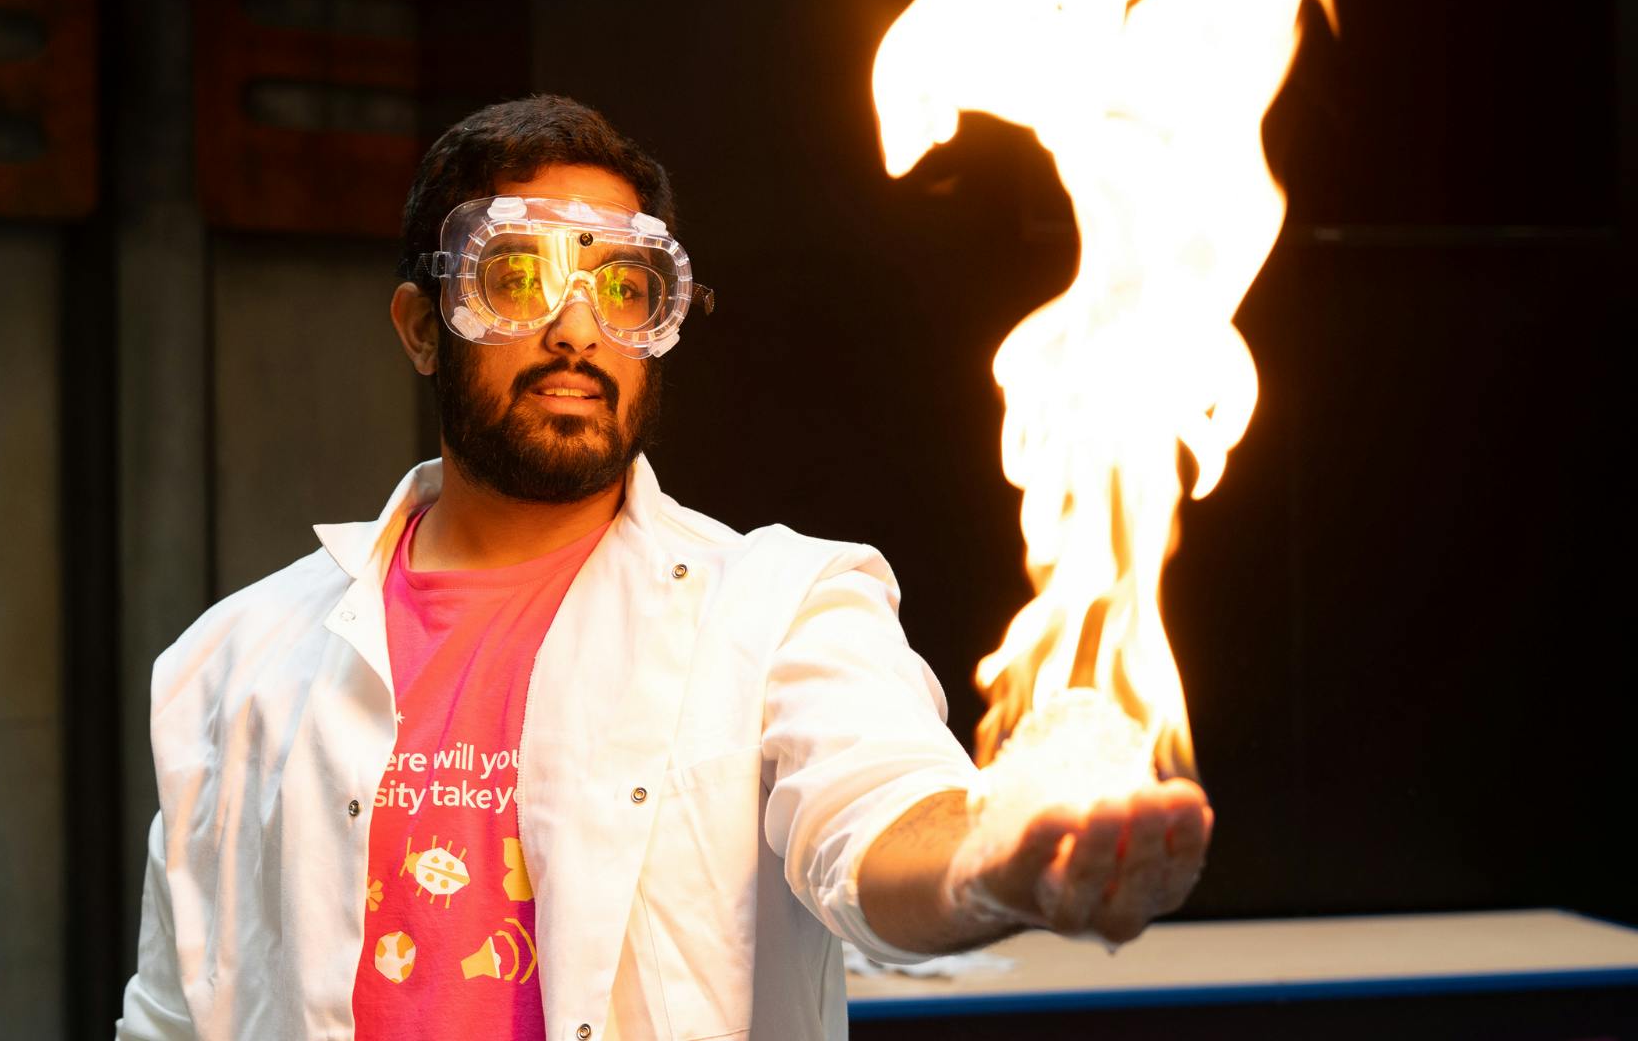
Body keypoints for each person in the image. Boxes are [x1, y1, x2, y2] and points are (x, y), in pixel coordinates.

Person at [115, 95, 1212, 1041]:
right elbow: (173, 1009)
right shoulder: (236, 660)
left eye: (626, 290)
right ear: (422, 324)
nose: (576, 329)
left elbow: (877, 824)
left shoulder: (780, 610)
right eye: (517, 279)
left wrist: (994, 860)